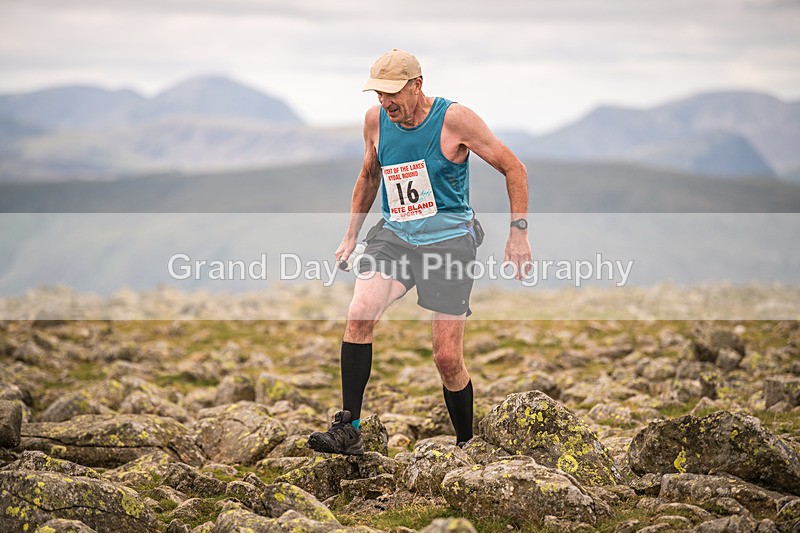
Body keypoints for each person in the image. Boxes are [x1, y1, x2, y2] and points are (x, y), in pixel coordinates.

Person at [308, 48, 531, 455]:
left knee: (446, 357)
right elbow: (369, 175)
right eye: (378, 93)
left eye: (393, 92)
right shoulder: (375, 121)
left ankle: (466, 444)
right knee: (359, 314)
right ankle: (349, 428)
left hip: (449, 243)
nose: (385, 102)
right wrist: (351, 236)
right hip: (394, 237)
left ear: (417, 85)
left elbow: (513, 167)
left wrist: (518, 233)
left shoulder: (454, 119)